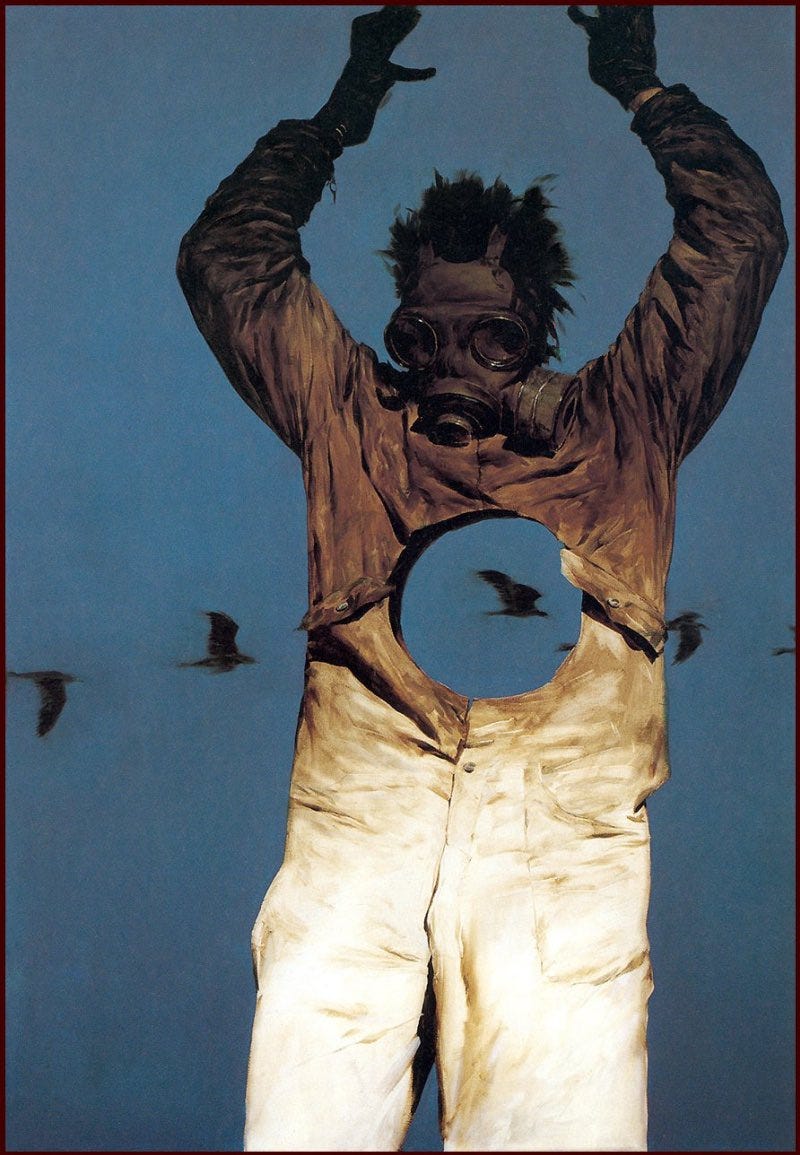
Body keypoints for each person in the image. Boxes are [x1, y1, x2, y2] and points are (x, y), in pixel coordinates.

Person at [177, 6, 786, 1150]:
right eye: (423, 336)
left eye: (490, 339)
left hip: (558, 840)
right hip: (359, 826)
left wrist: (642, 91)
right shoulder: (355, 420)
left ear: (533, 332)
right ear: (399, 333)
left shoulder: (622, 421)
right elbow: (228, 261)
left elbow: (737, 236)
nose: (452, 366)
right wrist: (336, 118)